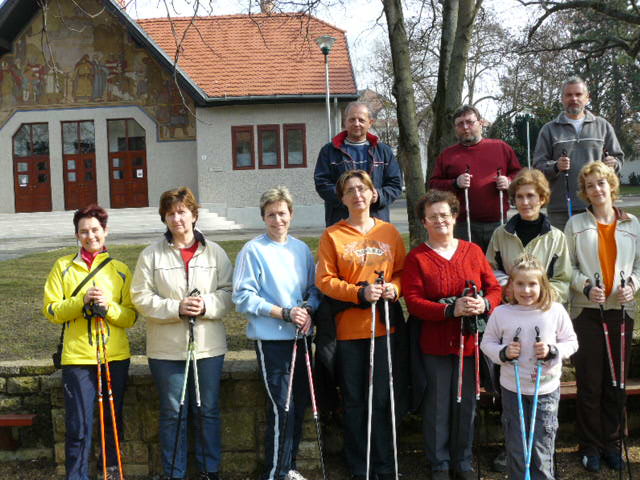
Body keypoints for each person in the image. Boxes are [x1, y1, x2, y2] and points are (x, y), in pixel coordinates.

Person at [131, 187, 233, 480]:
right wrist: (176, 307)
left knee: (208, 410)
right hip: (167, 350)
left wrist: (205, 305)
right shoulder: (151, 255)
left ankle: (209, 470)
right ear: (164, 218)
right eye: (170, 213)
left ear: (194, 215)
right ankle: (174, 472)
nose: (177, 219)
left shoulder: (215, 252)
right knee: (173, 412)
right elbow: (140, 297)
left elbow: (229, 293)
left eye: (182, 212)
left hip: (208, 347)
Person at [402, 190, 502, 480]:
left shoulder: (472, 251)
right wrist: (449, 310)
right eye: (432, 217)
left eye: (444, 215)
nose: (440, 221)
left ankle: (464, 460)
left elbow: (495, 288)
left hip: (469, 343)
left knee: (467, 403)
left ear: (455, 217)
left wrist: (484, 304)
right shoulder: (417, 258)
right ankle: (440, 463)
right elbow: (413, 302)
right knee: (437, 406)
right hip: (435, 344)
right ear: (424, 221)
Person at [316, 170, 405, 480]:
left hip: (384, 330)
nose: (357, 195)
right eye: (350, 190)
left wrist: (395, 288)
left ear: (372, 193)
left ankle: (385, 464)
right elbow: (325, 280)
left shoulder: (389, 232)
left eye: (362, 188)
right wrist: (358, 293)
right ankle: (360, 466)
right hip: (348, 332)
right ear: (341, 198)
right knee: (354, 401)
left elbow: (401, 272)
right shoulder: (332, 235)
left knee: (382, 399)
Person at [232, 186, 321, 480]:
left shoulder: (301, 249)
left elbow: (313, 290)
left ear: (291, 214)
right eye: (271, 214)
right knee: (282, 407)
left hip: (301, 339)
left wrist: (308, 308)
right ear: (263, 217)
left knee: (298, 405)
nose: (277, 219)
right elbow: (243, 297)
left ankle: (288, 467)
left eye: (282, 213)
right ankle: (275, 473)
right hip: (272, 341)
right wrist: (283, 312)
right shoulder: (253, 250)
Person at [43, 204, 136, 480]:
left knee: (112, 421)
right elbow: (51, 310)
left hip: (114, 357)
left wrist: (108, 307)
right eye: (83, 231)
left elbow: (131, 316)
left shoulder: (120, 270)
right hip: (78, 359)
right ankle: (77, 476)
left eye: (95, 230)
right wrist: (80, 302)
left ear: (105, 231)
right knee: (79, 425)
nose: (90, 236)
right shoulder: (63, 267)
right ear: (77, 235)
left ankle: (109, 472)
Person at [565, 162, 639, 472]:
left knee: (615, 383)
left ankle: (613, 444)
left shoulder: (632, 223)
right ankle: (590, 446)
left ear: (611, 185)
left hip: (621, 312)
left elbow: (639, 266)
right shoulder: (575, 224)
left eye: (601, 183)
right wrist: (584, 285)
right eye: (590, 185)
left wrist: (633, 285)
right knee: (590, 384)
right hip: (587, 313)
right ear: (585, 192)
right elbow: (567, 267)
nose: (597, 189)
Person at [481, 255, 578, 480]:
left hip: (545, 391)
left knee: (541, 447)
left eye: (532, 284)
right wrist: (503, 352)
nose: (526, 290)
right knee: (517, 447)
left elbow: (572, 342)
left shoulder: (555, 311)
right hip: (512, 390)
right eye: (520, 284)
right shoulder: (501, 313)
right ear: (510, 286)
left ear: (542, 285)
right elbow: (487, 343)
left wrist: (553, 351)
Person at [533, 76, 624, 230]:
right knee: (563, 247)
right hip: (561, 210)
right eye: (569, 95)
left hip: (598, 206)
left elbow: (618, 159)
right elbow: (537, 167)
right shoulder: (549, 129)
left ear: (587, 98)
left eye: (578, 94)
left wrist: (613, 164)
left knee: (597, 247)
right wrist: (555, 166)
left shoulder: (603, 126)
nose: (574, 99)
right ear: (562, 99)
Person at [429, 104, 521, 252]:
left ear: (480, 122)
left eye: (470, 122)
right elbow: (434, 185)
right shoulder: (448, 155)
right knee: (468, 264)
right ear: (455, 128)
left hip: (498, 222)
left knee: (499, 264)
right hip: (463, 225)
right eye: (460, 124)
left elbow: (519, 175)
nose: (465, 127)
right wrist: (455, 183)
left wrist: (509, 181)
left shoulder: (501, 147)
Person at [486, 168, 571, 304]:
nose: (525, 202)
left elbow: (563, 280)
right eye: (519, 196)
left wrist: (542, 295)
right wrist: (506, 286)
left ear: (542, 199)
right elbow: (490, 269)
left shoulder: (556, 237)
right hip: (510, 307)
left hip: (543, 309)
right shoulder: (500, 234)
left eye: (530, 196)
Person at [314, 101, 403, 227]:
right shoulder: (329, 151)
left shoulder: (383, 151)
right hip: (341, 222)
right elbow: (322, 183)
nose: (356, 124)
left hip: (377, 223)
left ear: (370, 122)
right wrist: (347, 197)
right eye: (352, 120)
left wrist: (378, 195)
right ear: (345, 122)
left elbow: (395, 184)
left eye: (361, 120)